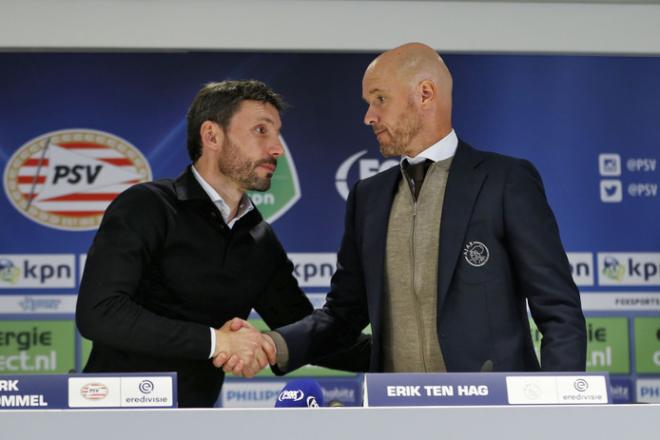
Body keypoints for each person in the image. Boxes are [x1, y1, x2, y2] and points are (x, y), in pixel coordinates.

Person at [221, 43, 586, 376]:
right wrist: (273, 344)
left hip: (496, 415)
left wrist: (556, 409)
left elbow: (558, 310)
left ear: (425, 94)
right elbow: (342, 316)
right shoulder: (367, 197)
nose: (369, 116)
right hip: (397, 414)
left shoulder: (505, 180)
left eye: (380, 99)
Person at [76, 80, 368, 407]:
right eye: (261, 130)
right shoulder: (147, 206)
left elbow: (310, 336)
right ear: (212, 135)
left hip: (196, 422)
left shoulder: (259, 239)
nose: (277, 149)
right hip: (110, 415)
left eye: (277, 134)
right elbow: (99, 313)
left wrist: (410, 357)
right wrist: (218, 342)